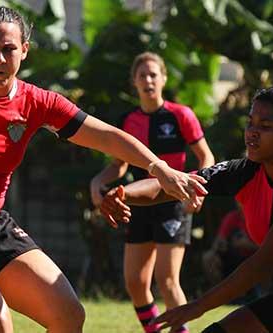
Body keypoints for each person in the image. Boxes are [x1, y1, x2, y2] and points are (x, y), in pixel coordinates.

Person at [0, 6, 208, 333]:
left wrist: (159, 167)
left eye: (8, 49)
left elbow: (106, 136)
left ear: (24, 49)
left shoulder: (37, 102)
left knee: (68, 315)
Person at [100, 85, 273, 333]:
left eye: (265, 126)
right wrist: (122, 193)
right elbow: (174, 184)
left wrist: (197, 306)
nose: (252, 133)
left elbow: (263, 263)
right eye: (250, 123)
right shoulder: (246, 172)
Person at [90, 52, 214, 333]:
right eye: (142, 75)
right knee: (135, 281)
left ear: (164, 78)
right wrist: (98, 182)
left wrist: (198, 191)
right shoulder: (127, 120)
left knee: (167, 279)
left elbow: (206, 156)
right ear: (134, 81)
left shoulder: (181, 115)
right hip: (140, 204)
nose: (148, 80)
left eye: (153, 75)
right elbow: (118, 166)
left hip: (174, 202)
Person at [202, 207, 260, 303]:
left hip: (253, 256)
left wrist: (247, 244)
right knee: (209, 258)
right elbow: (219, 240)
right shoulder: (232, 217)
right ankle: (219, 294)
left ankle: (259, 293)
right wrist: (217, 248)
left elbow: (267, 248)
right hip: (232, 255)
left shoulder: (257, 217)